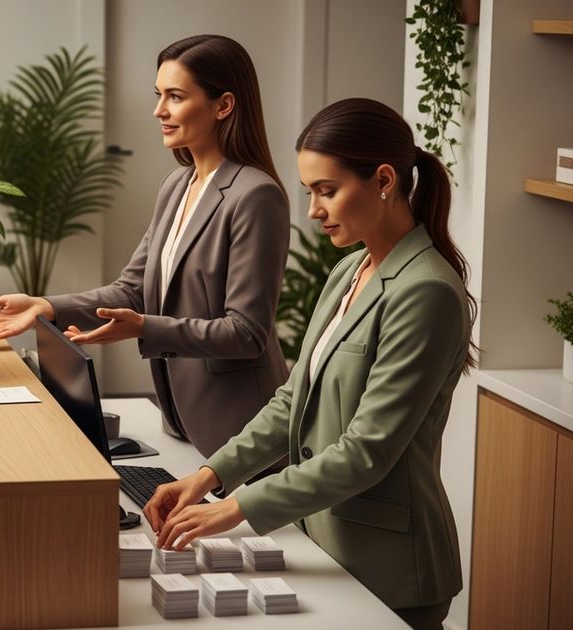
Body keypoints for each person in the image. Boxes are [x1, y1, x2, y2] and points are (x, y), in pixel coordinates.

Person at [144, 98, 475, 630]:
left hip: (388, 568)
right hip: (323, 546)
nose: (314, 211)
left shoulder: (427, 291)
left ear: (384, 180)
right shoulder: (349, 271)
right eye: (310, 193)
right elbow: (290, 401)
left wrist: (236, 508)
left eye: (327, 191)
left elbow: (367, 451)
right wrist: (208, 476)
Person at [0, 34, 290, 458]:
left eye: (175, 97)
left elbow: (246, 333)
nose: (159, 111)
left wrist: (143, 326)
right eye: (159, 95)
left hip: (242, 428)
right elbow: (132, 289)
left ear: (223, 105)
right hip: (182, 421)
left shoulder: (255, 195)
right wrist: (44, 306)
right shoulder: (178, 185)